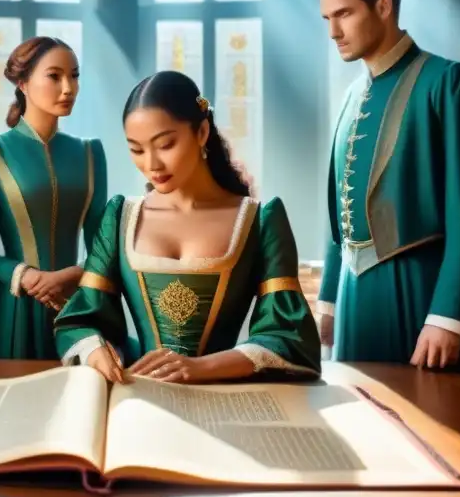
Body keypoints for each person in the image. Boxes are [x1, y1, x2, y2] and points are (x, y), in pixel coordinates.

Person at [53, 70, 321, 384]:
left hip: (224, 398)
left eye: (165, 145)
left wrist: (200, 368)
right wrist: (96, 350)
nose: (152, 165)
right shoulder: (120, 217)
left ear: (202, 132)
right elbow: (82, 318)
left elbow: (289, 336)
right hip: (140, 396)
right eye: (137, 150)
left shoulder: (260, 220)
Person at [315, 0, 460, 372]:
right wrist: (329, 303)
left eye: (345, 14)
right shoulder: (350, 98)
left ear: (384, 7)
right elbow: (339, 217)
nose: (333, 32)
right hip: (354, 299)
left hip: (425, 297)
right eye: (327, 18)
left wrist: (450, 317)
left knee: (441, 431)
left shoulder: (450, 83)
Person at [0, 37, 107, 359]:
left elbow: (101, 247)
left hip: (75, 304)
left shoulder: (90, 152)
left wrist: (71, 276)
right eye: (54, 76)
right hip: (15, 305)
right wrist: (23, 276)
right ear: (23, 83)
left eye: (75, 75)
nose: (68, 87)